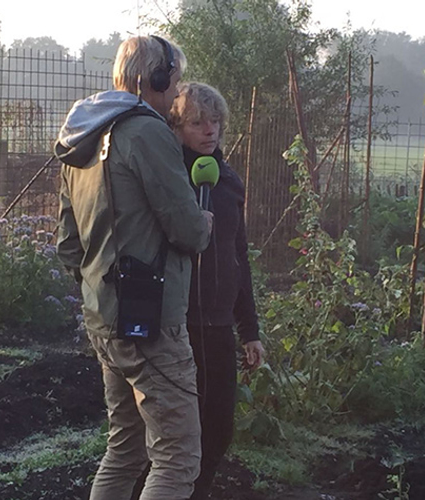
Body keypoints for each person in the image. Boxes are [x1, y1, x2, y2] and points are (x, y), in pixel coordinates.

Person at [55, 36, 213, 500]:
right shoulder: (145, 132)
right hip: (152, 323)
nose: (176, 90)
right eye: (174, 79)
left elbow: (68, 246)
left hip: (105, 319)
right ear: (155, 79)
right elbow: (187, 229)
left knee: (124, 449)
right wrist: (204, 222)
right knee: (178, 457)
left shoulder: (82, 135)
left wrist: (100, 289)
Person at [170, 82, 265, 500]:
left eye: (216, 122)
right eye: (197, 122)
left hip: (219, 325)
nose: (210, 130)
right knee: (174, 438)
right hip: (176, 325)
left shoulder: (228, 181)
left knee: (219, 430)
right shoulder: (168, 180)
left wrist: (250, 329)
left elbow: (237, 255)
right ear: (176, 128)